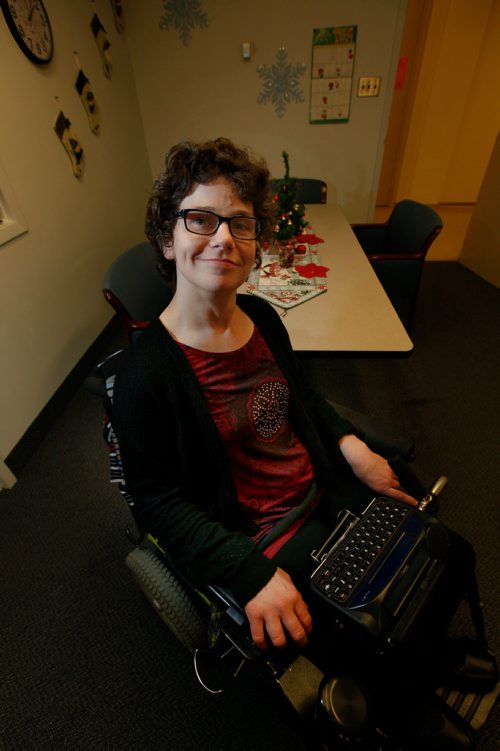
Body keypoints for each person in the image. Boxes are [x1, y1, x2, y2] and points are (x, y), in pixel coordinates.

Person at [112, 137, 418, 653]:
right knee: (356, 626)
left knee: (412, 525)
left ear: (255, 242)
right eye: (201, 220)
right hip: (257, 530)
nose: (223, 238)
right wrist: (249, 573)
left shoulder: (265, 318)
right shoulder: (146, 376)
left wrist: (351, 446)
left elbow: (303, 397)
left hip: (318, 478)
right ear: (168, 240)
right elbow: (158, 505)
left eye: (240, 222)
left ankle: (427, 648)